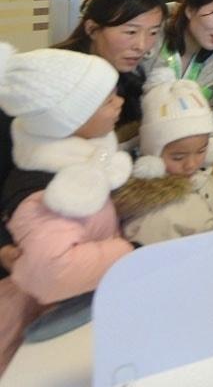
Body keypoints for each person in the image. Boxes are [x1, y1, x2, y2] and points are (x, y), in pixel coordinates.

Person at [0, 0, 165, 279]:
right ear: (91, 29)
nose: (143, 45)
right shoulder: (46, 91)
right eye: (130, 31)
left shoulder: (130, 82)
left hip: (100, 241)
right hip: (36, 252)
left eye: (153, 32)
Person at [0, 46, 135, 371]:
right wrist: (126, 251)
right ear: (71, 119)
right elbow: (51, 271)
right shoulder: (45, 191)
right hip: (36, 330)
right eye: (107, 100)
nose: (120, 103)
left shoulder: (79, 164)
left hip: (68, 316)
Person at [111, 71, 213, 246]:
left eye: (202, 150)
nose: (191, 164)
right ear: (152, 157)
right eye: (178, 157)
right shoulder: (150, 212)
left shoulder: (207, 182)